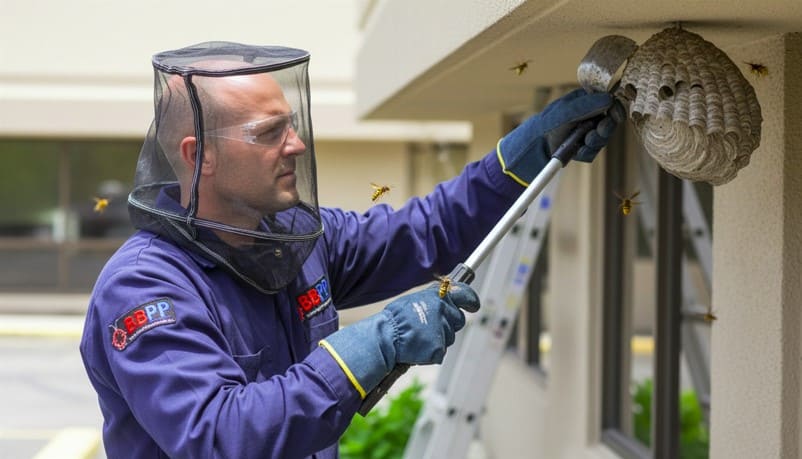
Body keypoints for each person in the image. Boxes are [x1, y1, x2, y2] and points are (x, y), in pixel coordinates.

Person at [79, 41, 624, 459]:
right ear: (200, 157)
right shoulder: (146, 289)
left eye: (291, 126)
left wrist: (521, 158)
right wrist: (375, 346)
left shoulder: (294, 238)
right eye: (269, 133)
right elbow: (222, 436)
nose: (296, 144)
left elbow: (426, 231)